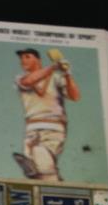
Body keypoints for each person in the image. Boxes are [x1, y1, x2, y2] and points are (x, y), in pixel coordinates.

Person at [13, 47, 81, 181]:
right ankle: (54, 189)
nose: (23, 60)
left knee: (42, 161)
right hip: (31, 128)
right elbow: (29, 81)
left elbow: (75, 96)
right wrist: (54, 66)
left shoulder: (56, 78)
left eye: (27, 57)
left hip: (53, 126)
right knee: (37, 171)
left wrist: (67, 73)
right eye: (21, 58)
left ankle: (55, 190)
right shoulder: (21, 78)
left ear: (38, 59)